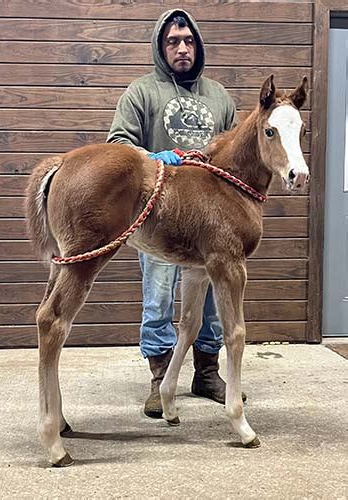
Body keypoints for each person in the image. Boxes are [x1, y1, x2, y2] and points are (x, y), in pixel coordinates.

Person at [107, 9, 240, 418]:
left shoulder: (218, 96)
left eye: (188, 41)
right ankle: (160, 377)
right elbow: (117, 145)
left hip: (214, 219)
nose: (181, 48)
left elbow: (237, 154)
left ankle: (207, 373)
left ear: (197, 45)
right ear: (160, 47)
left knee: (214, 302)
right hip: (160, 216)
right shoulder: (141, 92)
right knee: (159, 297)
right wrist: (157, 157)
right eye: (172, 41)